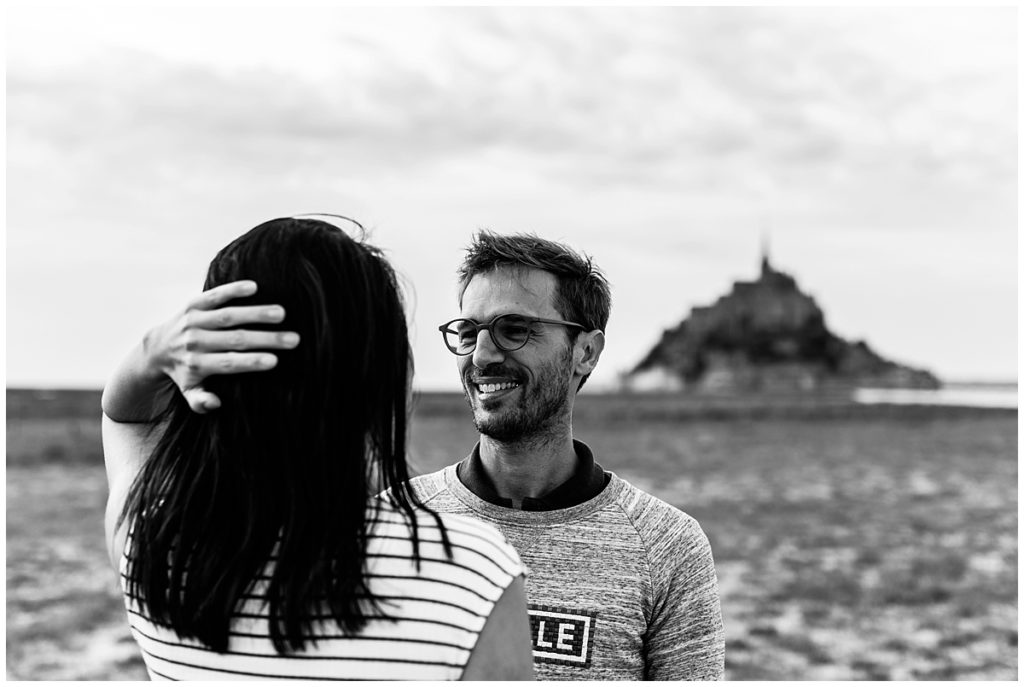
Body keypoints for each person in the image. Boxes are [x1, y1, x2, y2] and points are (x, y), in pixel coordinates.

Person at [101, 216, 534, 681]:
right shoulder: (469, 574)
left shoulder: (152, 547)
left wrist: (153, 348)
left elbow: (124, 417)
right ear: (385, 381)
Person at [417, 231, 725, 680]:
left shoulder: (667, 546)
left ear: (585, 352)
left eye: (514, 329)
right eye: (467, 332)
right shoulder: (394, 522)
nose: (481, 356)